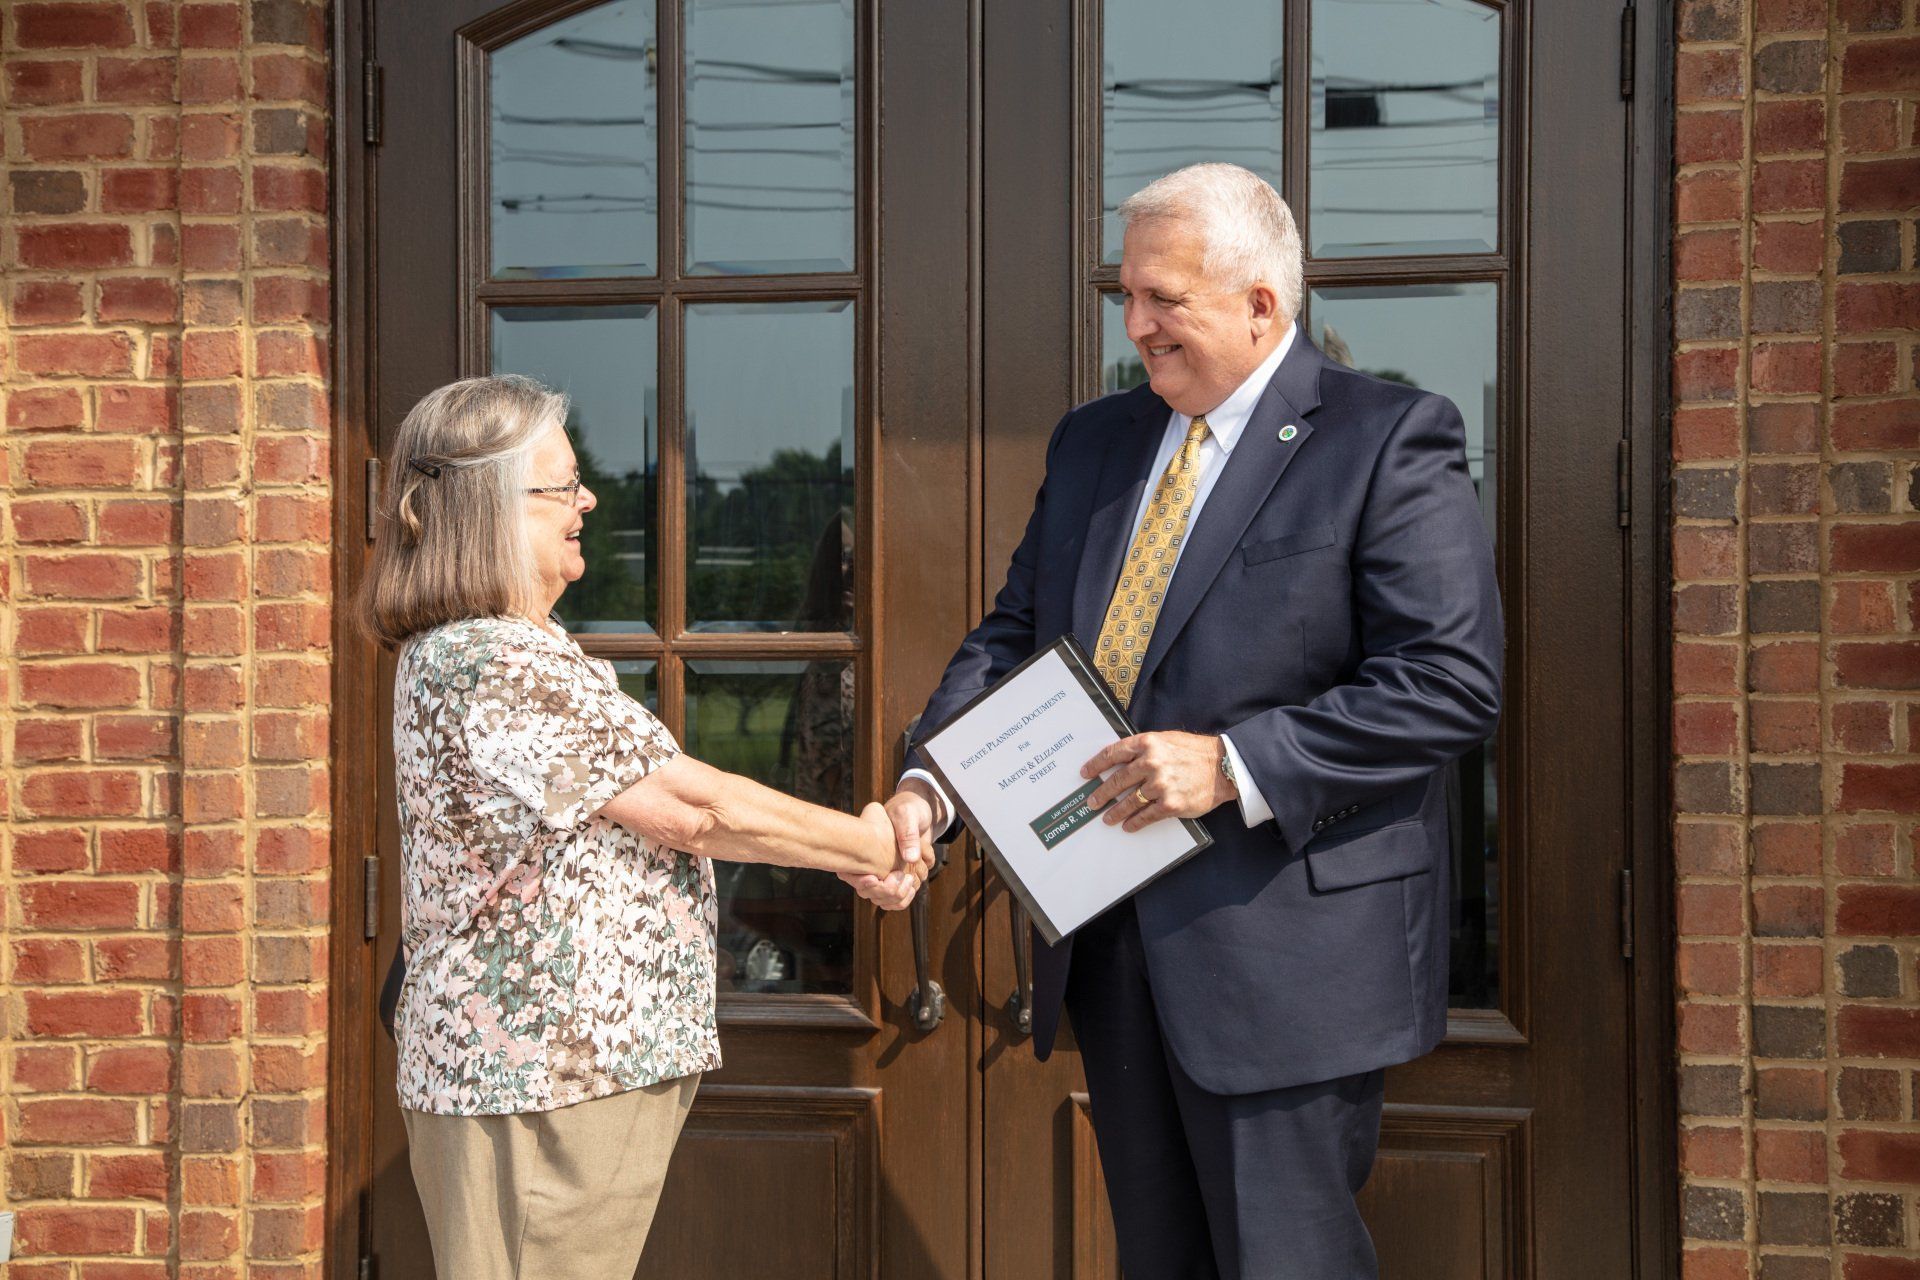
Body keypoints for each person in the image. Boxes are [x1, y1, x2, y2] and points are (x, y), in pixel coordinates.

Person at [852, 163, 1503, 1278]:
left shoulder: (1386, 436)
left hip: (1287, 960)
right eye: (1127, 294)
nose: (1135, 322)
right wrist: (933, 786)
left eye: (1164, 298)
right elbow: (1015, 637)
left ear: (1262, 303)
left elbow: (1448, 678)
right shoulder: (1095, 441)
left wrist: (1234, 762)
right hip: (1110, 944)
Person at [358, 375, 913, 1280]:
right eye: (560, 484)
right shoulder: (491, 659)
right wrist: (874, 846)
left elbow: (617, 804)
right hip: (541, 1080)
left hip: (551, 1076)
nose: (589, 500)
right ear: (487, 506)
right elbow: (696, 809)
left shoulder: (499, 651)